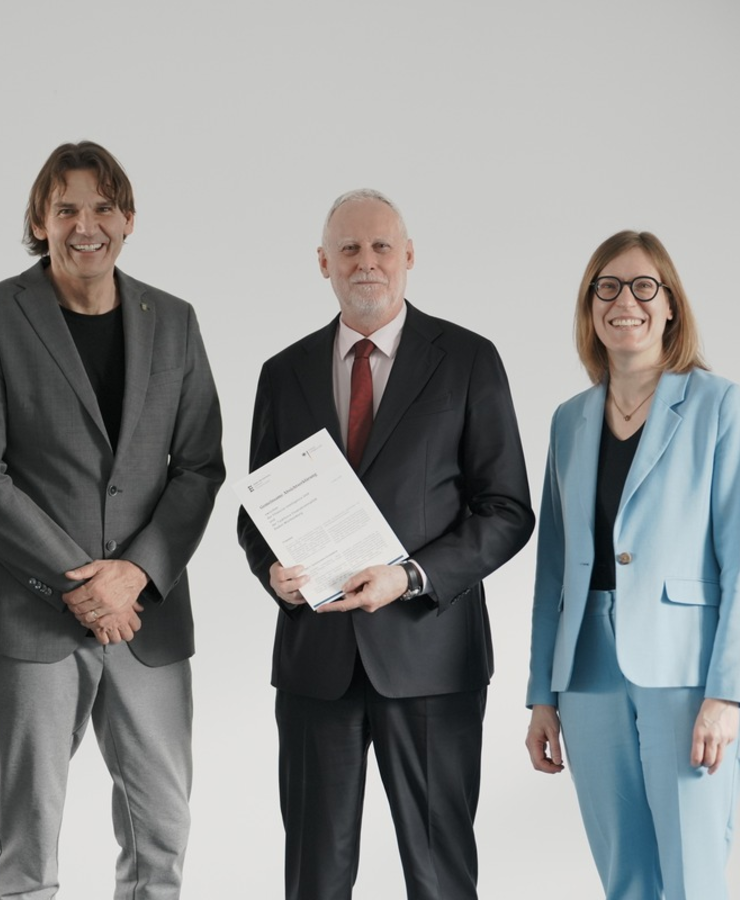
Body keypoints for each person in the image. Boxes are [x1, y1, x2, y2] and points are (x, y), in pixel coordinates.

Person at [0, 141, 224, 900]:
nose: (86, 225)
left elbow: (199, 466)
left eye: (103, 207)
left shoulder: (174, 320)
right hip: (33, 616)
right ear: (40, 221)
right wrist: (81, 582)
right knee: (28, 838)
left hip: (147, 617)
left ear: (128, 219)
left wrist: (133, 575)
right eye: (66, 208)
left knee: (161, 832)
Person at [237, 189, 534, 900]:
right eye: (348, 249)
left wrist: (411, 576)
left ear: (408, 256)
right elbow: (257, 513)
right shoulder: (284, 372)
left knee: (440, 878)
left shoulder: (467, 359)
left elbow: (507, 510)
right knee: (314, 878)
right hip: (316, 661)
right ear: (323, 263)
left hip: (431, 658)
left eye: (380, 247)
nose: (364, 262)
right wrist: (271, 569)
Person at [525, 231, 740, 899]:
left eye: (642, 286)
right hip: (586, 672)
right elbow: (552, 573)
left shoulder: (719, 405)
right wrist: (542, 694)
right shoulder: (569, 421)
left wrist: (727, 694)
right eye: (606, 287)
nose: (623, 301)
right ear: (589, 306)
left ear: (670, 305)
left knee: (692, 876)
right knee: (625, 879)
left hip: (686, 673)